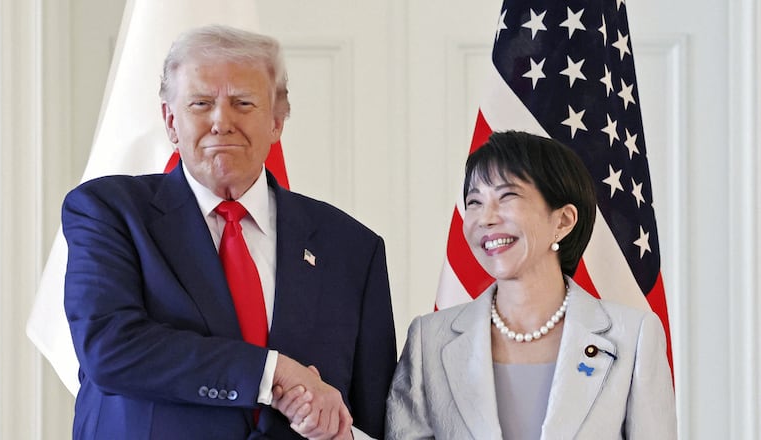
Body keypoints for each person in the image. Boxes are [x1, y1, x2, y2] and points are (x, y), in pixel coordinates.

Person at [62, 24, 396, 440]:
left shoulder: (351, 248)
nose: (221, 121)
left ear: (277, 122)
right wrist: (273, 372)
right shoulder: (109, 212)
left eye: (242, 103)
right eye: (201, 103)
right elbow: (109, 348)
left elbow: (371, 417)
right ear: (170, 120)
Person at [385, 131, 676, 439]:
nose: (485, 217)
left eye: (507, 196)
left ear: (563, 221)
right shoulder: (428, 340)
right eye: (474, 201)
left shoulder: (633, 336)